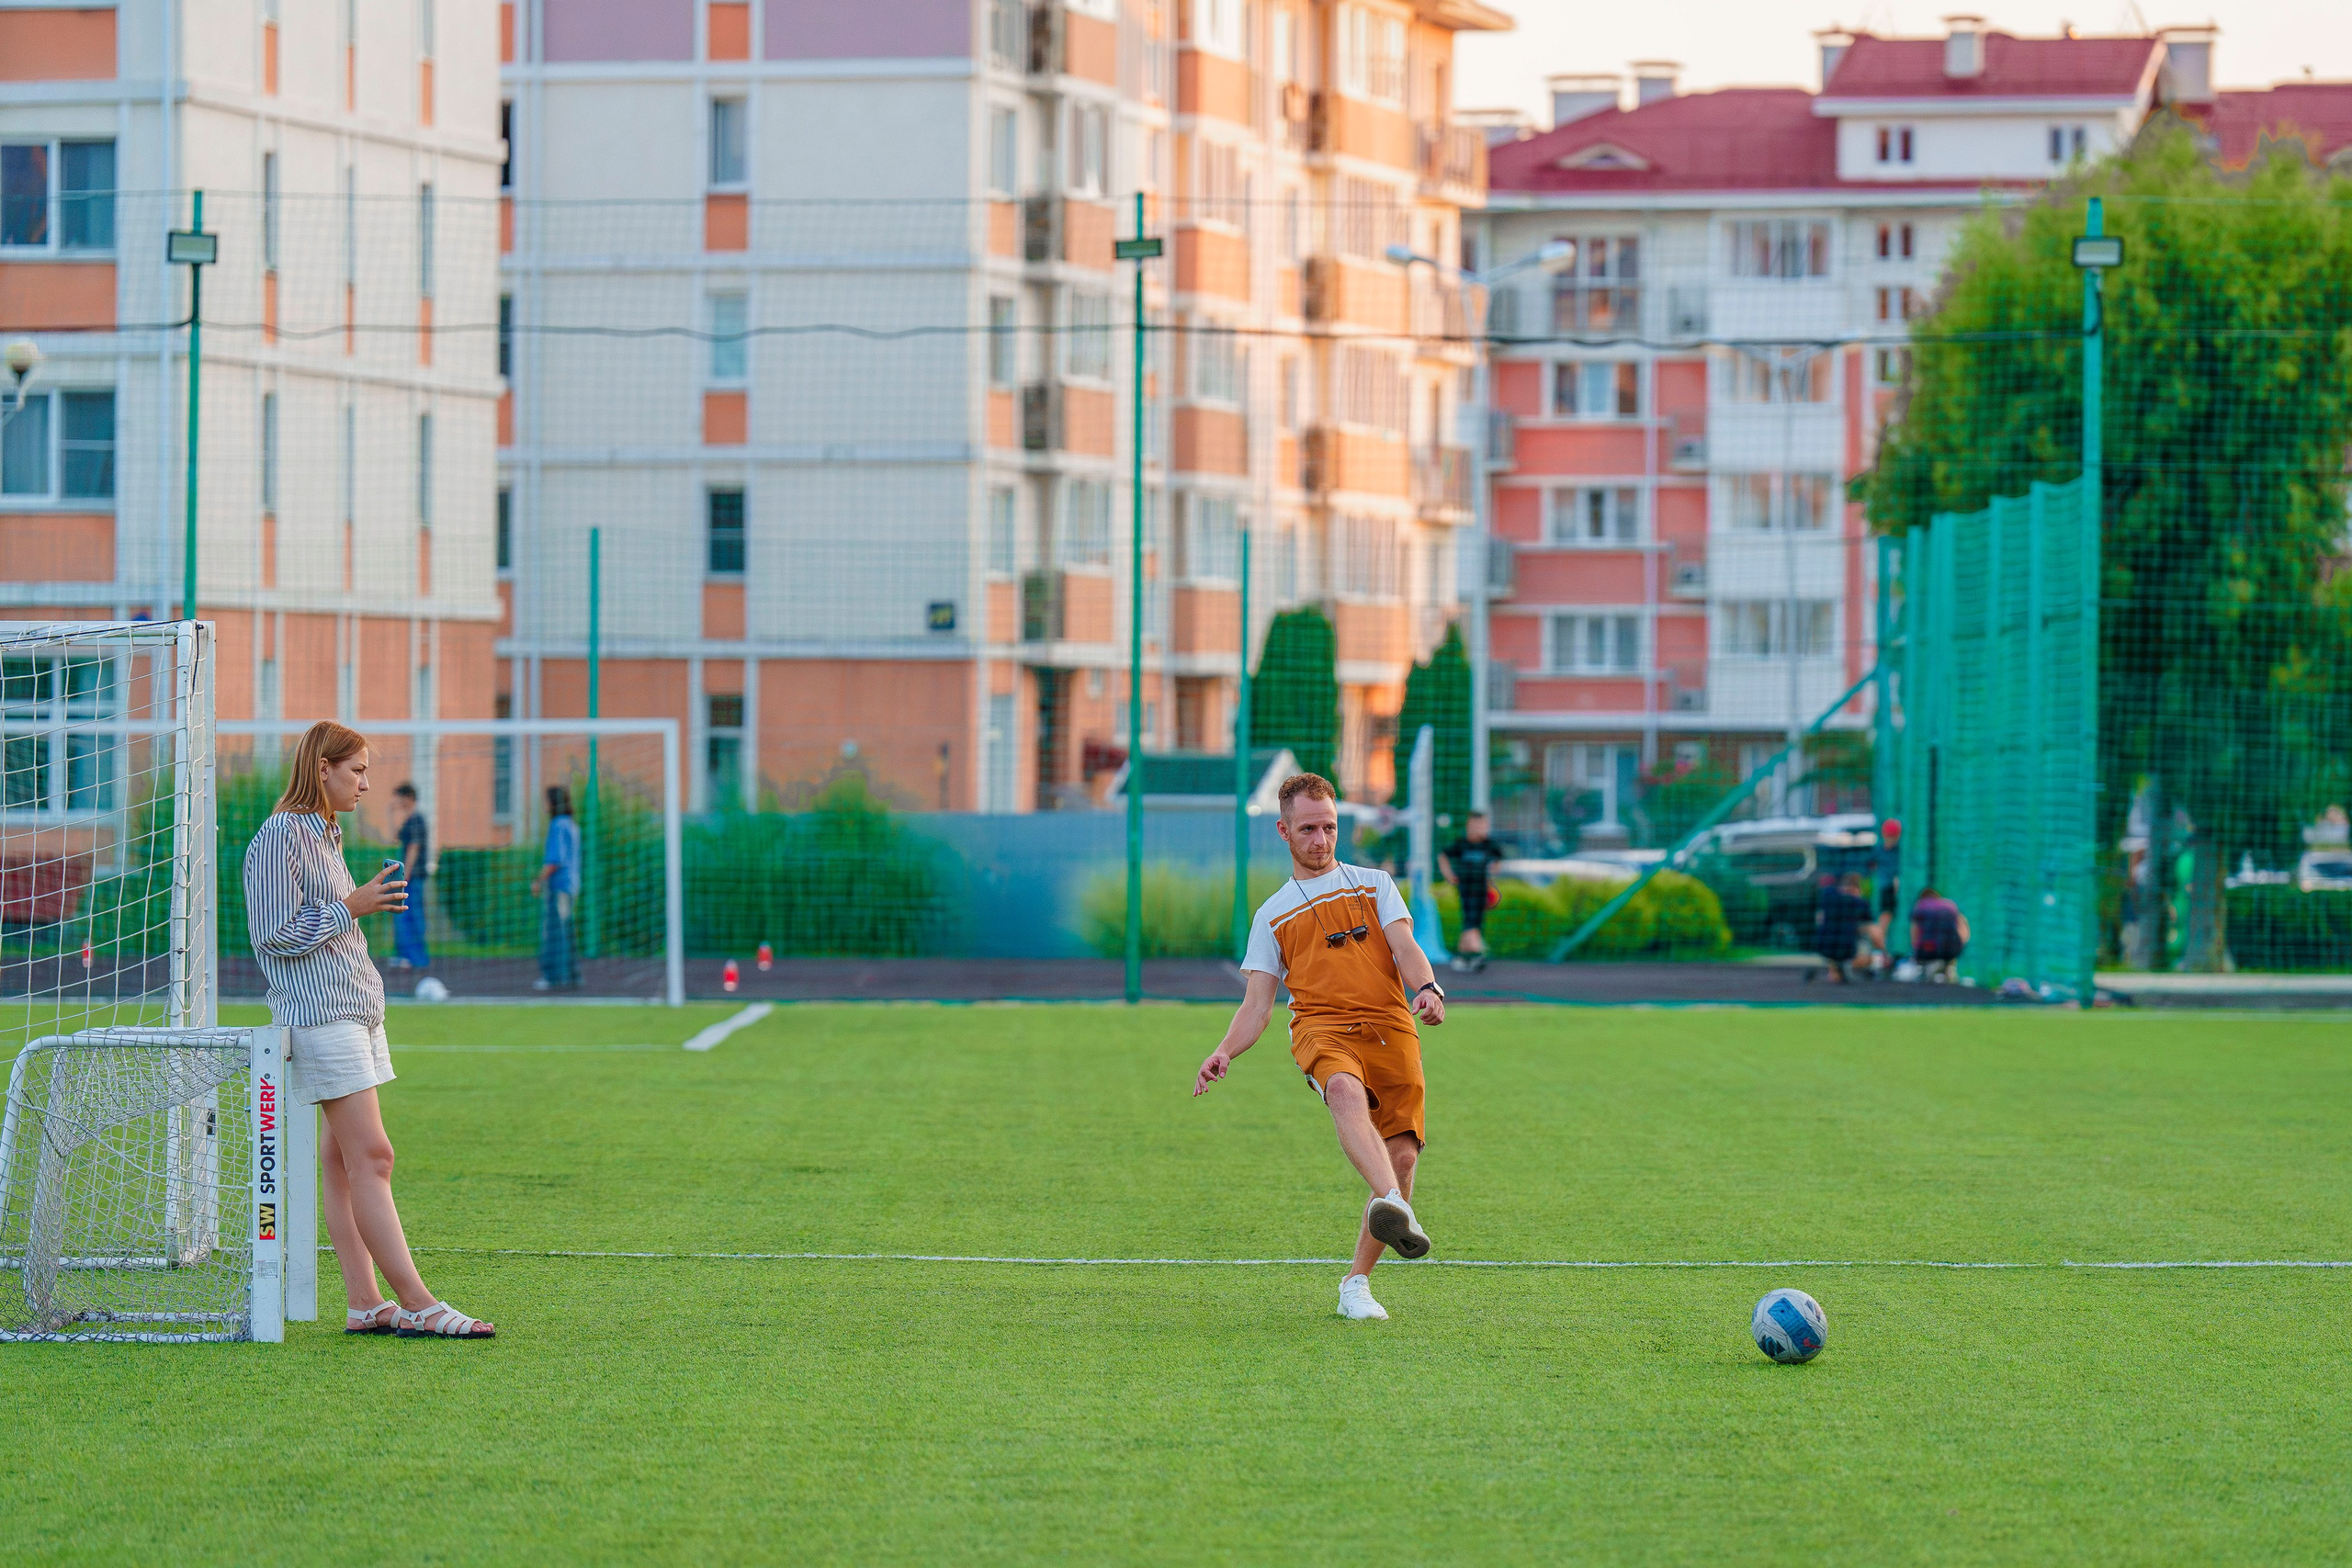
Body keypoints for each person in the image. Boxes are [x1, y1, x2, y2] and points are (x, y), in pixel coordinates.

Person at [242, 720, 494, 1339]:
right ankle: (420, 1302)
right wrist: (350, 906)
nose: (365, 782)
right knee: (374, 1157)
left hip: (353, 1012)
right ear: (321, 768)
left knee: (342, 1160)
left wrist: (354, 907)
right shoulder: (282, 834)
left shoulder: (322, 833)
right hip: (321, 1016)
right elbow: (273, 932)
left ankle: (365, 1301)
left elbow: (322, 923)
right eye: (355, 770)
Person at [1193, 773, 1449, 1322]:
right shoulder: (1272, 915)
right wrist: (1224, 1051)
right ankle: (1394, 1204)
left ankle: (1356, 1283)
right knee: (1342, 1089)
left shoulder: (1374, 883)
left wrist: (1427, 987)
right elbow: (1257, 1006)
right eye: (1308, 829)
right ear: (1284, 832)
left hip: (1389, 1024)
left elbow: (1406, 946)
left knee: (1403, 1153)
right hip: (1321, 1026)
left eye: (1329, 827)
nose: (1321, 840)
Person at [1439, 810, 1505, 973]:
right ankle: (1475, 955)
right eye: (1476, 825)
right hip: (1465, 890)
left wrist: (1494, 874)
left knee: (1474, 924)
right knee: (1470, 923)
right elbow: (1443, 856)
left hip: (1481, 889)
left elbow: (1498, 861)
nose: (1480, 828)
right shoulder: (1462, 844)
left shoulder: (1489, 845)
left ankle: (1463, 957)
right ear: (1469, 826)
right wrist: (1449, 876)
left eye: (1483, 825)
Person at [531, 784, 581, 991]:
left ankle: (553, 977)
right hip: (572, 885)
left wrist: (538, 880)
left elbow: (555, 859)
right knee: (566, 931)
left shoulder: (558, 825)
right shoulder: (572, 825)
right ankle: (571, 975)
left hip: (560, 887)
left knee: (555, 933)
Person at [389, 782, 431, 972]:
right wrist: (391, 815)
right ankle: (405, 955)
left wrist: (406, 876)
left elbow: (413, 849)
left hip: (412, 878)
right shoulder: (410, 819)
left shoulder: (417, 820)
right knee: (403, 915)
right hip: (408, 877)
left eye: (399, 797)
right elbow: (395, 837)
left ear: (408, 798)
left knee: (411, 916)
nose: (396, 801)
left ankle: (416, 957)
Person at [1807, 872, 1871, 984]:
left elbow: (1819, 920)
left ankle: (1836, 969)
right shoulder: (1858, 903)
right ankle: (1842, 969)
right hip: (1847, 948)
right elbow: (1873, 931)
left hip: (1824, 945)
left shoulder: (1828, 899)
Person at [1911, 886, 1971, 981]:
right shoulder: (1950, 906)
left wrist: (1917, 953)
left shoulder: (1920, 906)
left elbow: (1915, 933)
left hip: (1928, 950)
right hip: (1951, 950)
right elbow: (1964, 931)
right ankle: (1948, 971)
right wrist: (1958, 949)